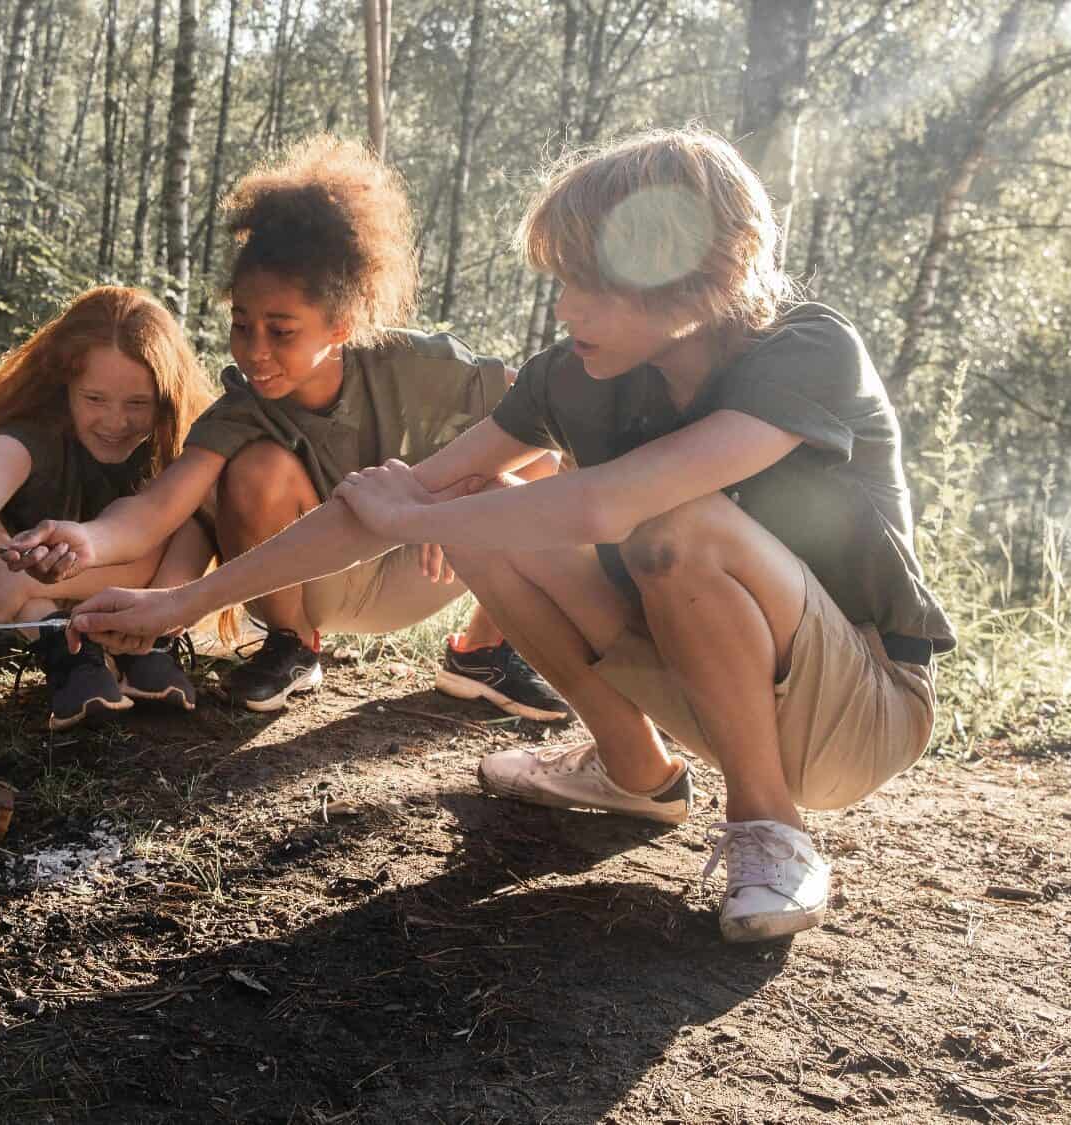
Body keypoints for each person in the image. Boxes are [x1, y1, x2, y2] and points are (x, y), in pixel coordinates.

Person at [66, 128, 953, 943]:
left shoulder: (806, 348)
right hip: (709, 688)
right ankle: (635, 771)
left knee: (677, 528)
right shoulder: (575, 376)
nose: (563, 306)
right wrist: (178, 601)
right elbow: (391, 499)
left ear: (685, 272)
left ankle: (771, 832)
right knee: (492, 510)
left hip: (858, 707)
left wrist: (421, 518)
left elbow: (608, 505)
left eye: (586, 282)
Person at [2, 136, 570, 719]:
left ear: (341, 326)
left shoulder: (422, 368)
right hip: (301, 577)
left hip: (416, 570)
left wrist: (457, 498)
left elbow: (549, 436)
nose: (255, 351)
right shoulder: (241, 410)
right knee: (256, 468)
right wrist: (86, 539)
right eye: (242, 325)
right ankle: (293, 646)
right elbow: (155, 510)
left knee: (536, 476)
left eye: (282, 331)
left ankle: (483, 651)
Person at [0, 286, 217, 730]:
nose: (115, 422)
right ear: (65, 384)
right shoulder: (33, 433)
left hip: (116, 599)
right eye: (94, 399)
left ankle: (149, 647)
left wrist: (26, 585)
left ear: (165, 399)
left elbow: (144, 551)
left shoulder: (170, 449)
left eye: (137, 404)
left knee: (197, 509)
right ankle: (63, 647)